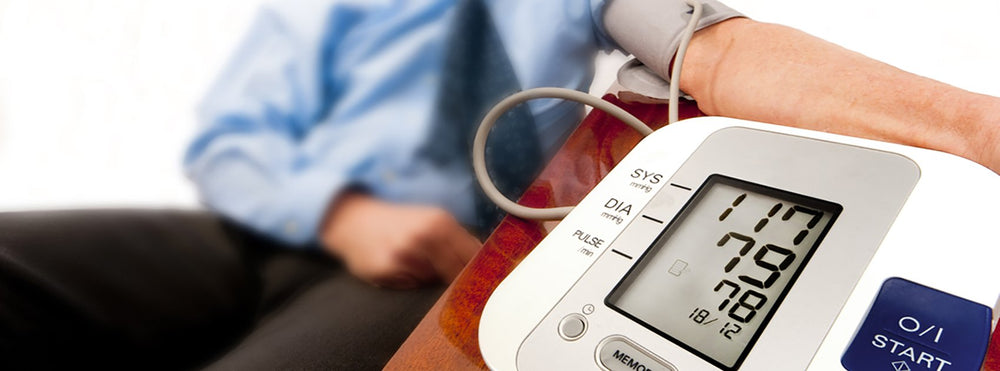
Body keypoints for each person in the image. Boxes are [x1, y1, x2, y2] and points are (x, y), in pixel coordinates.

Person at [1, 0, 997, 369]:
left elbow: (716, 50)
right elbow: (229, 144)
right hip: (264, 232)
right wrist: (346, 214)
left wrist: (970, 127)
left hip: (449, 264)